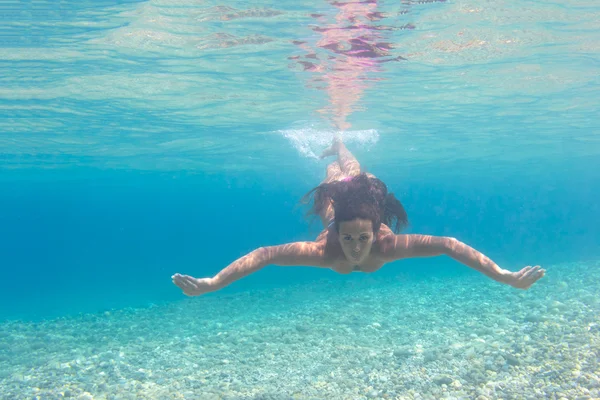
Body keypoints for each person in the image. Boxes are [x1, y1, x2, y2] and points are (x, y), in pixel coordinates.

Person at [172, 138, 545, 296]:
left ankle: (339, 143)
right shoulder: (326, 251)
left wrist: (503, 276)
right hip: (339, 210)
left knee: (351, 172)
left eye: (361, 239)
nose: (353, 248)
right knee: (334, 183)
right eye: (348, 239)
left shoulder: (386, 243)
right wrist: (212, 283)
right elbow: (266, 254)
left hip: (364, 203)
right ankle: (337, 157)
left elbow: (448, 245)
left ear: (375, 233)